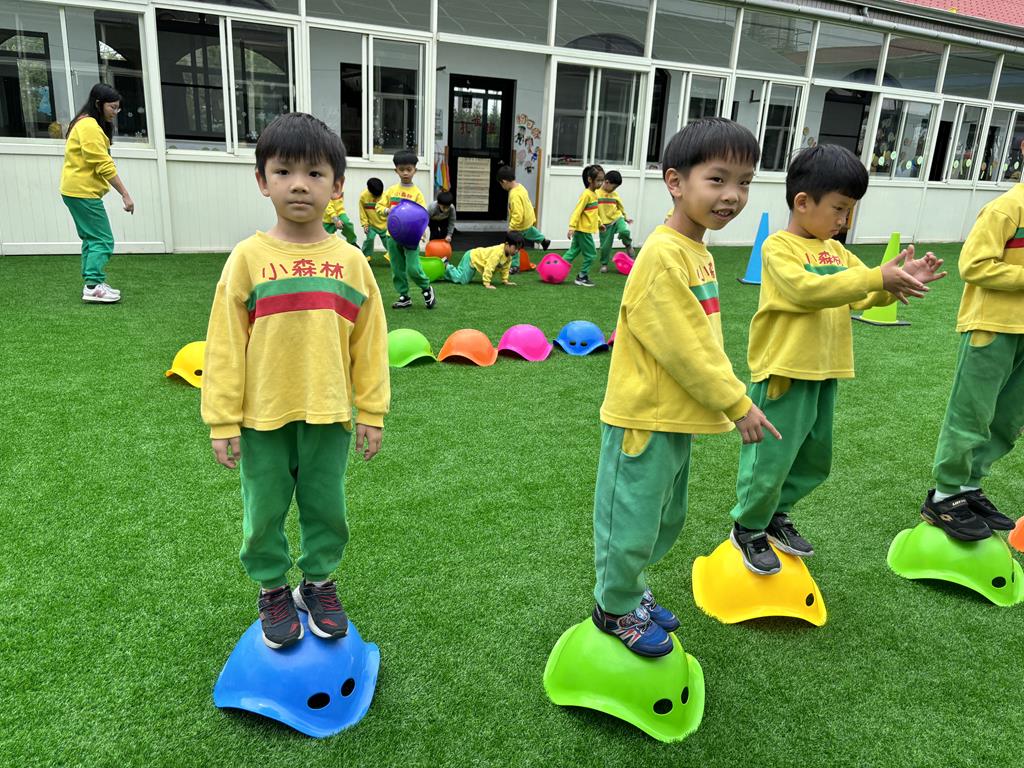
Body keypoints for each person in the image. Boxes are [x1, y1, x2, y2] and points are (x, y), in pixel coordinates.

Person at [201, 112, 390, 650]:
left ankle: (318, 583)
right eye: (284, 172)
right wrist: (221, 420)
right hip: (261, 418)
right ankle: (272, 589)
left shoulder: (352, 262)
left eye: (315, 173)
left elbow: (370, 345)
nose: (299, 185)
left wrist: (371, 411)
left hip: (328, 414)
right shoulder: (247, 258)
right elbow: (224, 345)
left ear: (337, 185)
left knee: (326, 507)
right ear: (262, 181)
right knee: (263, 510)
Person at [591, 118, 779, 656]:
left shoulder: (697, 251)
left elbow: (703, 339)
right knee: (630, 520)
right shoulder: (662, 255)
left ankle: (631, 589)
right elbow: (684, 347)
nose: (733, 195)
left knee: (663, 518)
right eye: (717, 179)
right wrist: (735, 401)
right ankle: (614, 607)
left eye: (744, 182)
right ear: (675, 181)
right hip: (644, 418)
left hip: (676, 417)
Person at [728, 144, 946, 575]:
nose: (844, 220)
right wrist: (875, 277)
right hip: (785, 372)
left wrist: (894, 283)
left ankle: (775, 514)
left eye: (850, 211)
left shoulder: (836, 251)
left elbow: (861, 295)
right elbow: (806, 291)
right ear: (802, 202)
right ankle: (748, 526)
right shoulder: (779, 248)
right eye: (839, 208)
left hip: (825, 371)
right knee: (771, 458)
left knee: (814, 458)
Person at [918, 147, 1024, 541]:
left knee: (1008, 418)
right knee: (971, 413)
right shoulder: (1006, 208)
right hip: (991, 327)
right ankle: (945, 494)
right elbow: (973, 265)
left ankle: (969, 486)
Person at [60, 83, 134, 303]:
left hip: (75, 190)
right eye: (112, 107)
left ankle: (92, 283)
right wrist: (125, 194)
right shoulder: (89, 126)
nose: (116, 112)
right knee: (103, 239)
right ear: (98, 104)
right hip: (82, 192)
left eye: (118, 108)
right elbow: (103, 164)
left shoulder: (83, 122)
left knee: (91, 238)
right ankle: (93, 286)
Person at [376, 150, 436, 309]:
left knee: (413, 268)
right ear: (396, 170)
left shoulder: (417, 194)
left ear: (415, 170)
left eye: (409, 169)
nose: (405, 173)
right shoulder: (391, 191)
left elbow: (422, 215)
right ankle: (404, 296)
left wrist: (422, 232)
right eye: (401, 169)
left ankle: (426, 288)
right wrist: (387, 210)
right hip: (392, 235)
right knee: (397, 268)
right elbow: (378, 207)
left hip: (411, 237)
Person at [565, 164, 604, 287]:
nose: (600, 183)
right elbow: (577, 211)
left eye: (602, 180)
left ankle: (556, 269)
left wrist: (599, 223)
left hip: (582, 230)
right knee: (591, 254)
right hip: (583, 231)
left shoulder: (594, 194)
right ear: (590, 179)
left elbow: (593, 213)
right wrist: (571, 227)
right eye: (598, 180)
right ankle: (582, 276)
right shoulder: (586, 195)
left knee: (573, 252)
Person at [443, 231, 523, 289]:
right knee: (462, 280)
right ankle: (446, 265)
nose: (516, 251)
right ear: (507, 244)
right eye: (515, 248)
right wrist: (487, 283)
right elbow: (489, 267)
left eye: (518, 249)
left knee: (463, 278)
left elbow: (505, 268)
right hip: (472, 257)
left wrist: (505, 280)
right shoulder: (497, 253)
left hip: (475, 258)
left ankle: (444, 272)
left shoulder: (509, 256)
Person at [498, 165, 549, 254]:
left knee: (513, 242)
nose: (502, 186)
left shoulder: (514, 195)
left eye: (501, 184)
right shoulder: (520, 187)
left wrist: (511, 228)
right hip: (528, 219)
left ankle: (514, 262)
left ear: (504, 181)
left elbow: (517, 215)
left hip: (520, 224)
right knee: (530, 231)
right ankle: (543, 240)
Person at [597, 170, 634, 271]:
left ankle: (628, 244)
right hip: (604, 224)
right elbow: (594, 211)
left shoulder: (615, 195)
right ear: (607, 182)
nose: (614, 189)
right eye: (613, 187)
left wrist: (625, 217)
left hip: (617, 218)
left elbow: (620, 207)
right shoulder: (596, 194)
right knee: (605, 246)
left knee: (624, 231)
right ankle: (604, 264)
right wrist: (599, 222)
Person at [358, 177, 389, 264]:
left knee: (388, 241)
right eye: (375, 195)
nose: (377, 197)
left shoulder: (385, 196)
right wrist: (365, 224)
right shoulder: (363, 197)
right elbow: (362, 212)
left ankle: (392, 255)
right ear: (369, 190)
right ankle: (365, 256)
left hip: (385, 224)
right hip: (371, 225)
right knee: (370, 238)